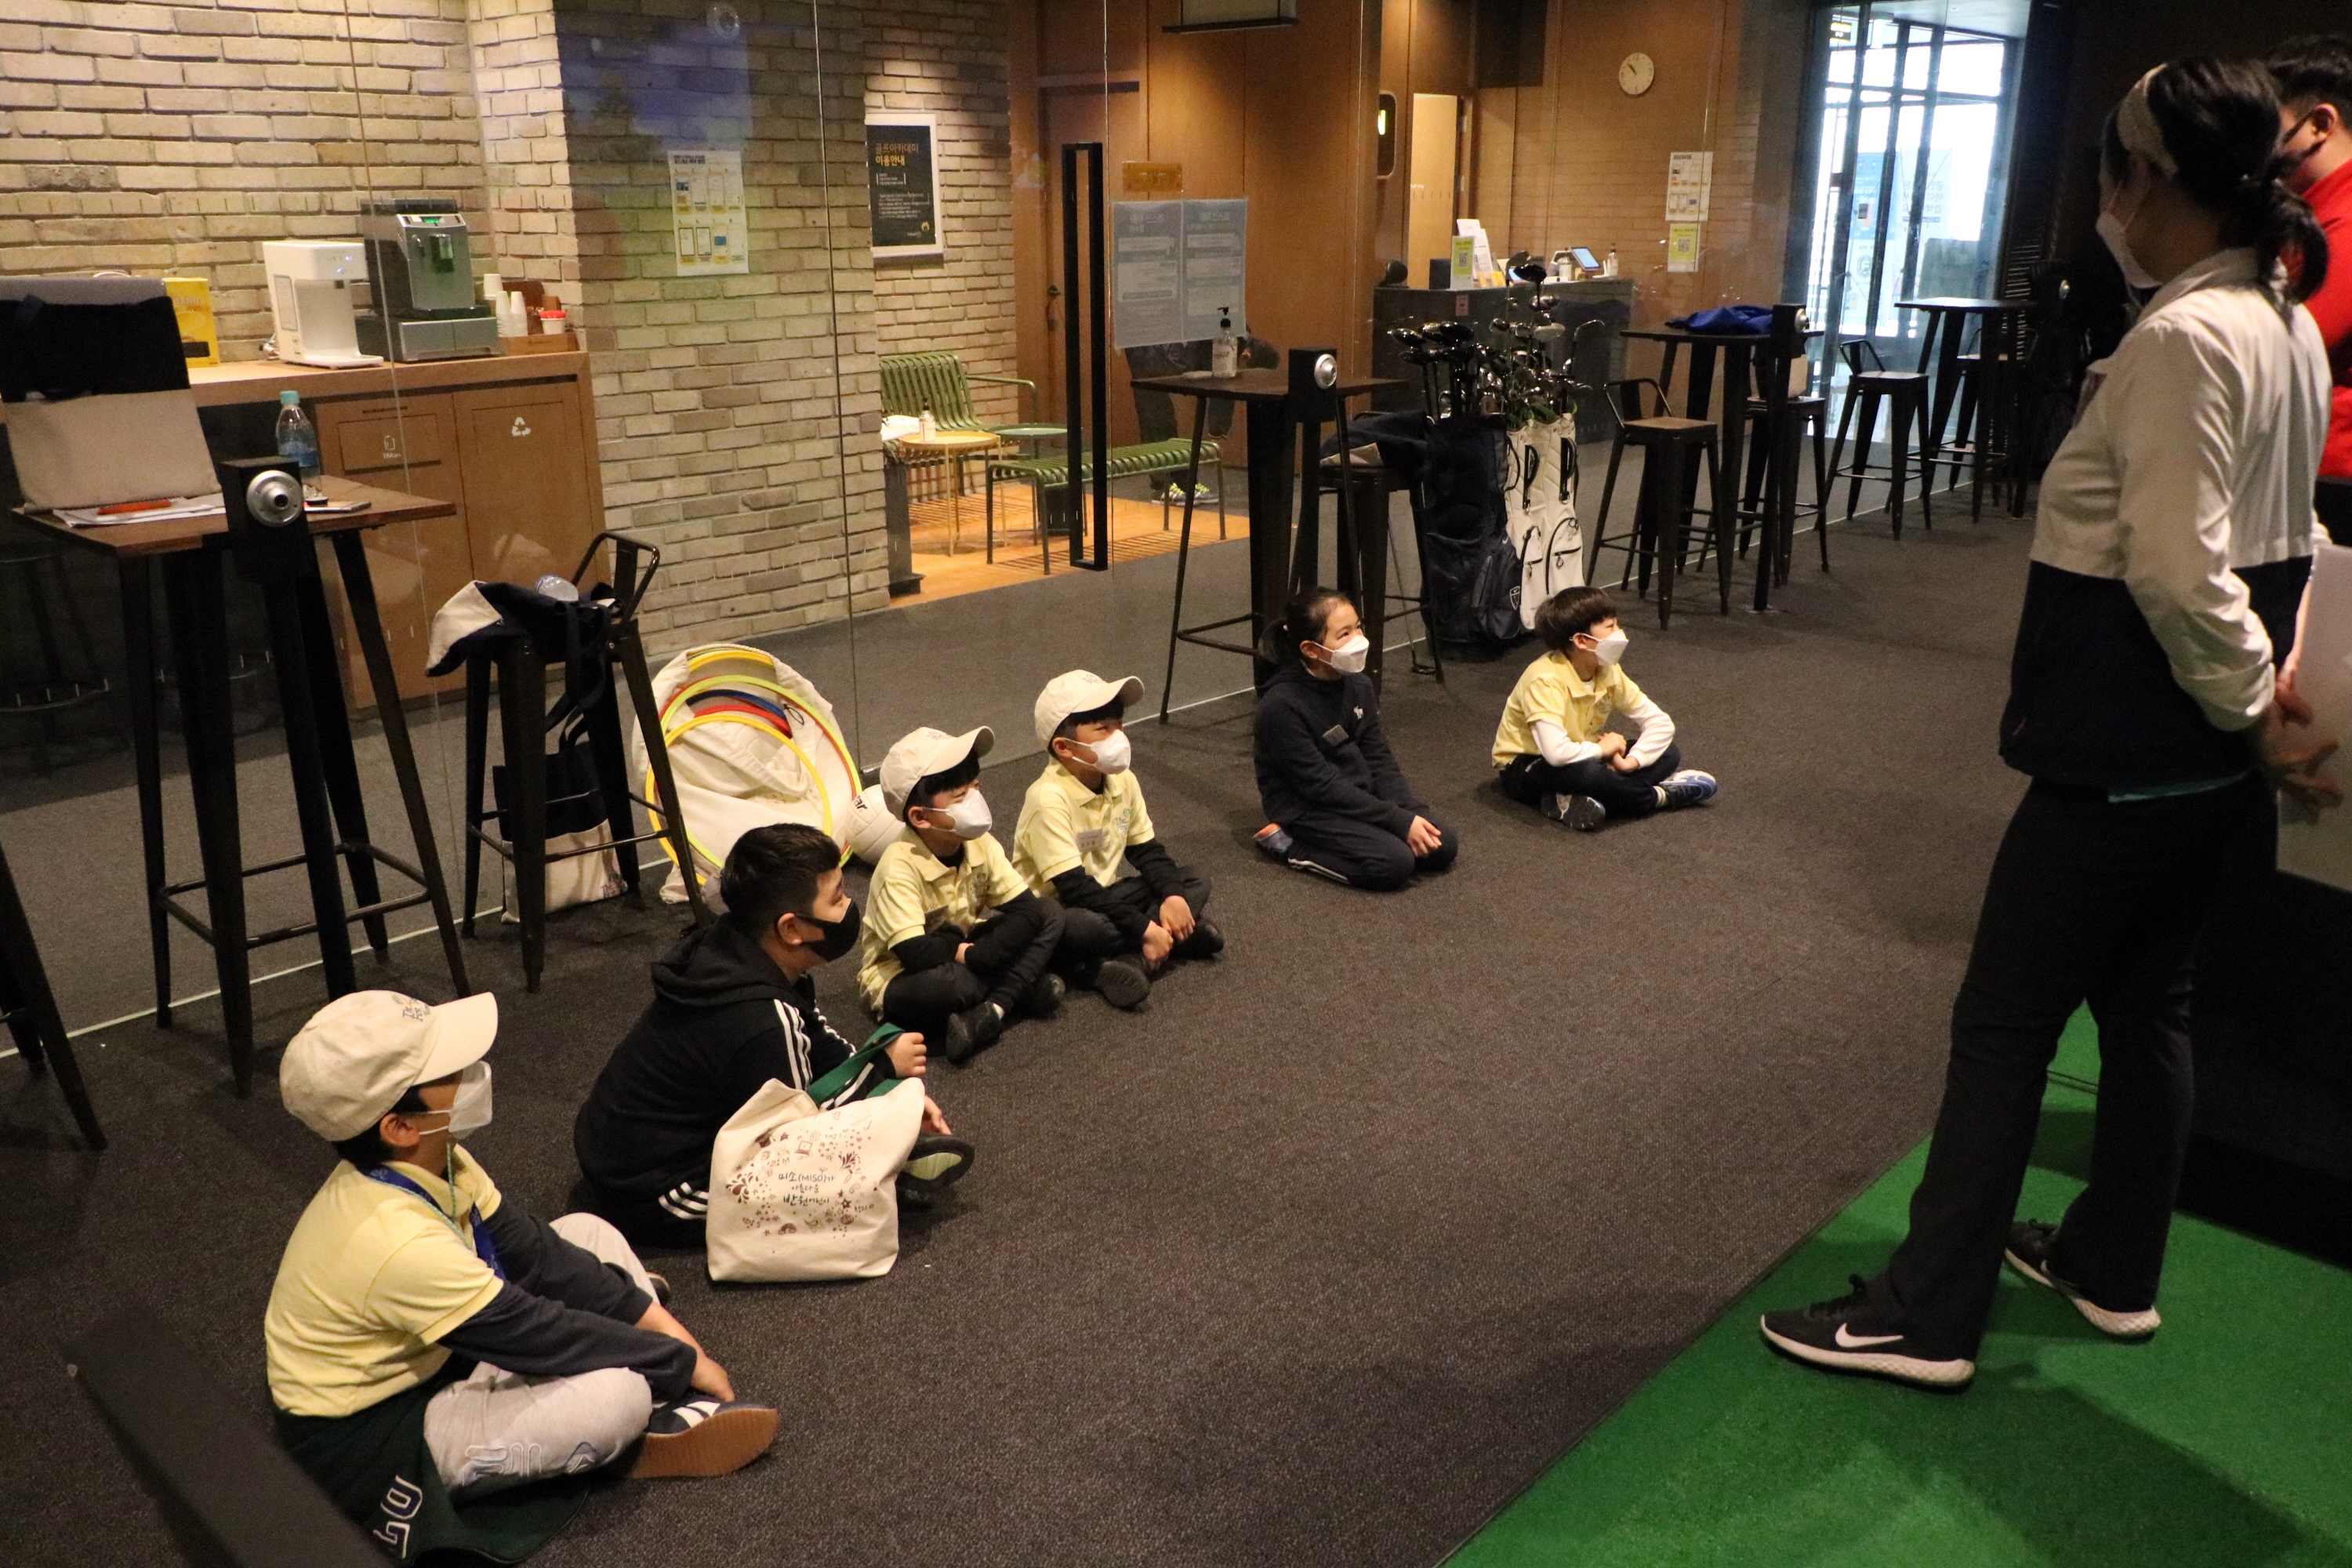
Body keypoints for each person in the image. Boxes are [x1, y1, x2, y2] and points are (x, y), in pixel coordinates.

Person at [1760, 59, 2342, 1392]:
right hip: (2199, 755)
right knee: (2151, 1005)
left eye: (2113, 179)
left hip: (2127, 747)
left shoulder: (2186, 339)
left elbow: (2179, 570)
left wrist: (2251, 704)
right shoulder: (2285, 320)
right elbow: (2291, 534)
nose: (2106, 207)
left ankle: (1924, 1314)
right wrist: (2265, 694)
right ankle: (2112, 1264)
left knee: (2006, 1024)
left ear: (2149, 182)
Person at [267, 991, 776, 1563]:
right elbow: (538, 1334)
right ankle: (633, 1428)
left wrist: (659, 1326)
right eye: (449, 1072)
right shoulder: (395, 1242)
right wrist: (675, 1361)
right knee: (617, 1396)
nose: (472, 1072)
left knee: (587, 1231)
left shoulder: (437, 1156)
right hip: (377, 1432)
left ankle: (622, 1390)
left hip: (439, 1347)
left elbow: (536, 1255)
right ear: (401, 1126)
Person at [572, 822, 971, 1248]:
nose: (849, 905)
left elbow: (817, 1039)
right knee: (811, 1189)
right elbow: (799, 1130)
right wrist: (883, 1071)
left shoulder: (738, 948)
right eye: (837, 898)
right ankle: (886, 1171)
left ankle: (887, 1154)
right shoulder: (760, 1018)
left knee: (858, 1114)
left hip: (619, 1151)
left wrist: (886, 1092)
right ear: (791, 929)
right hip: (657, 1192)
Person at [1013, 670, 1222, 1011]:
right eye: (1103, 729)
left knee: (1193, 880)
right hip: (1058, 910)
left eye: (1119, 725)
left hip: (1106, 896)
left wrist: (1173, 896)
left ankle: (1131, 958)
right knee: (1082, 928)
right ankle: (1163, 941)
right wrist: (1144, 928)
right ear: (1064, 747)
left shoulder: (1122, 779)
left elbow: (1148, 852)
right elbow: (1074, 888)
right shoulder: (1047, 798)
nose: (1118, 737)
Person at [857, 724, 1066, 1062]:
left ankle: (993, 1009)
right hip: (904, 973)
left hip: (965, 950)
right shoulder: (898, 867)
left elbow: (1028, 909)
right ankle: (1018, 986)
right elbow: (914, 953)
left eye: (975, 786)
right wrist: (967, 952)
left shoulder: (981, 843)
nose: (975, 798)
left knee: (1050, 912)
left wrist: (981, 956)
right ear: (920, 817)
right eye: (960, 795)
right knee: (952, 985)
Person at [1251, 589, 1459, 890]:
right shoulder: (1281, 707)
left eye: (1358, 627)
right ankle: (1288, 845)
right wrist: (1396, 821)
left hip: (1355, 794)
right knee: (1393, 864)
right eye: (1344, 634)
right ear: (1311, 650)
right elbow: (1320, 786)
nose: (1358, 639)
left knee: (1443, 845)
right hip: (1307, 808)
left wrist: (1407, 811)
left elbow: (1379, 758)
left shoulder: (1359, 685)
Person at [1490, 585, 1719, 831]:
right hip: (1526, 765)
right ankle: (1659, 797)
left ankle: (1573, 799)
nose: (1619, 633)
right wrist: (1602, 750)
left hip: (1582, 753)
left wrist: (1631, 762)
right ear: (1581, 640)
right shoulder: (1545, 679)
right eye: (1610, 627)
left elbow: (1660, 723)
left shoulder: (1607, 669)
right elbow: (1555, 753)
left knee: (1668, 752)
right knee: (1589, 775)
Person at [2270, 34, 2352, 543]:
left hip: (2335, 477)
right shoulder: (2316, 213)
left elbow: (2287, 347)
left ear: (2320, 124)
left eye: (2271, 129)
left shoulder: (2345, 220)